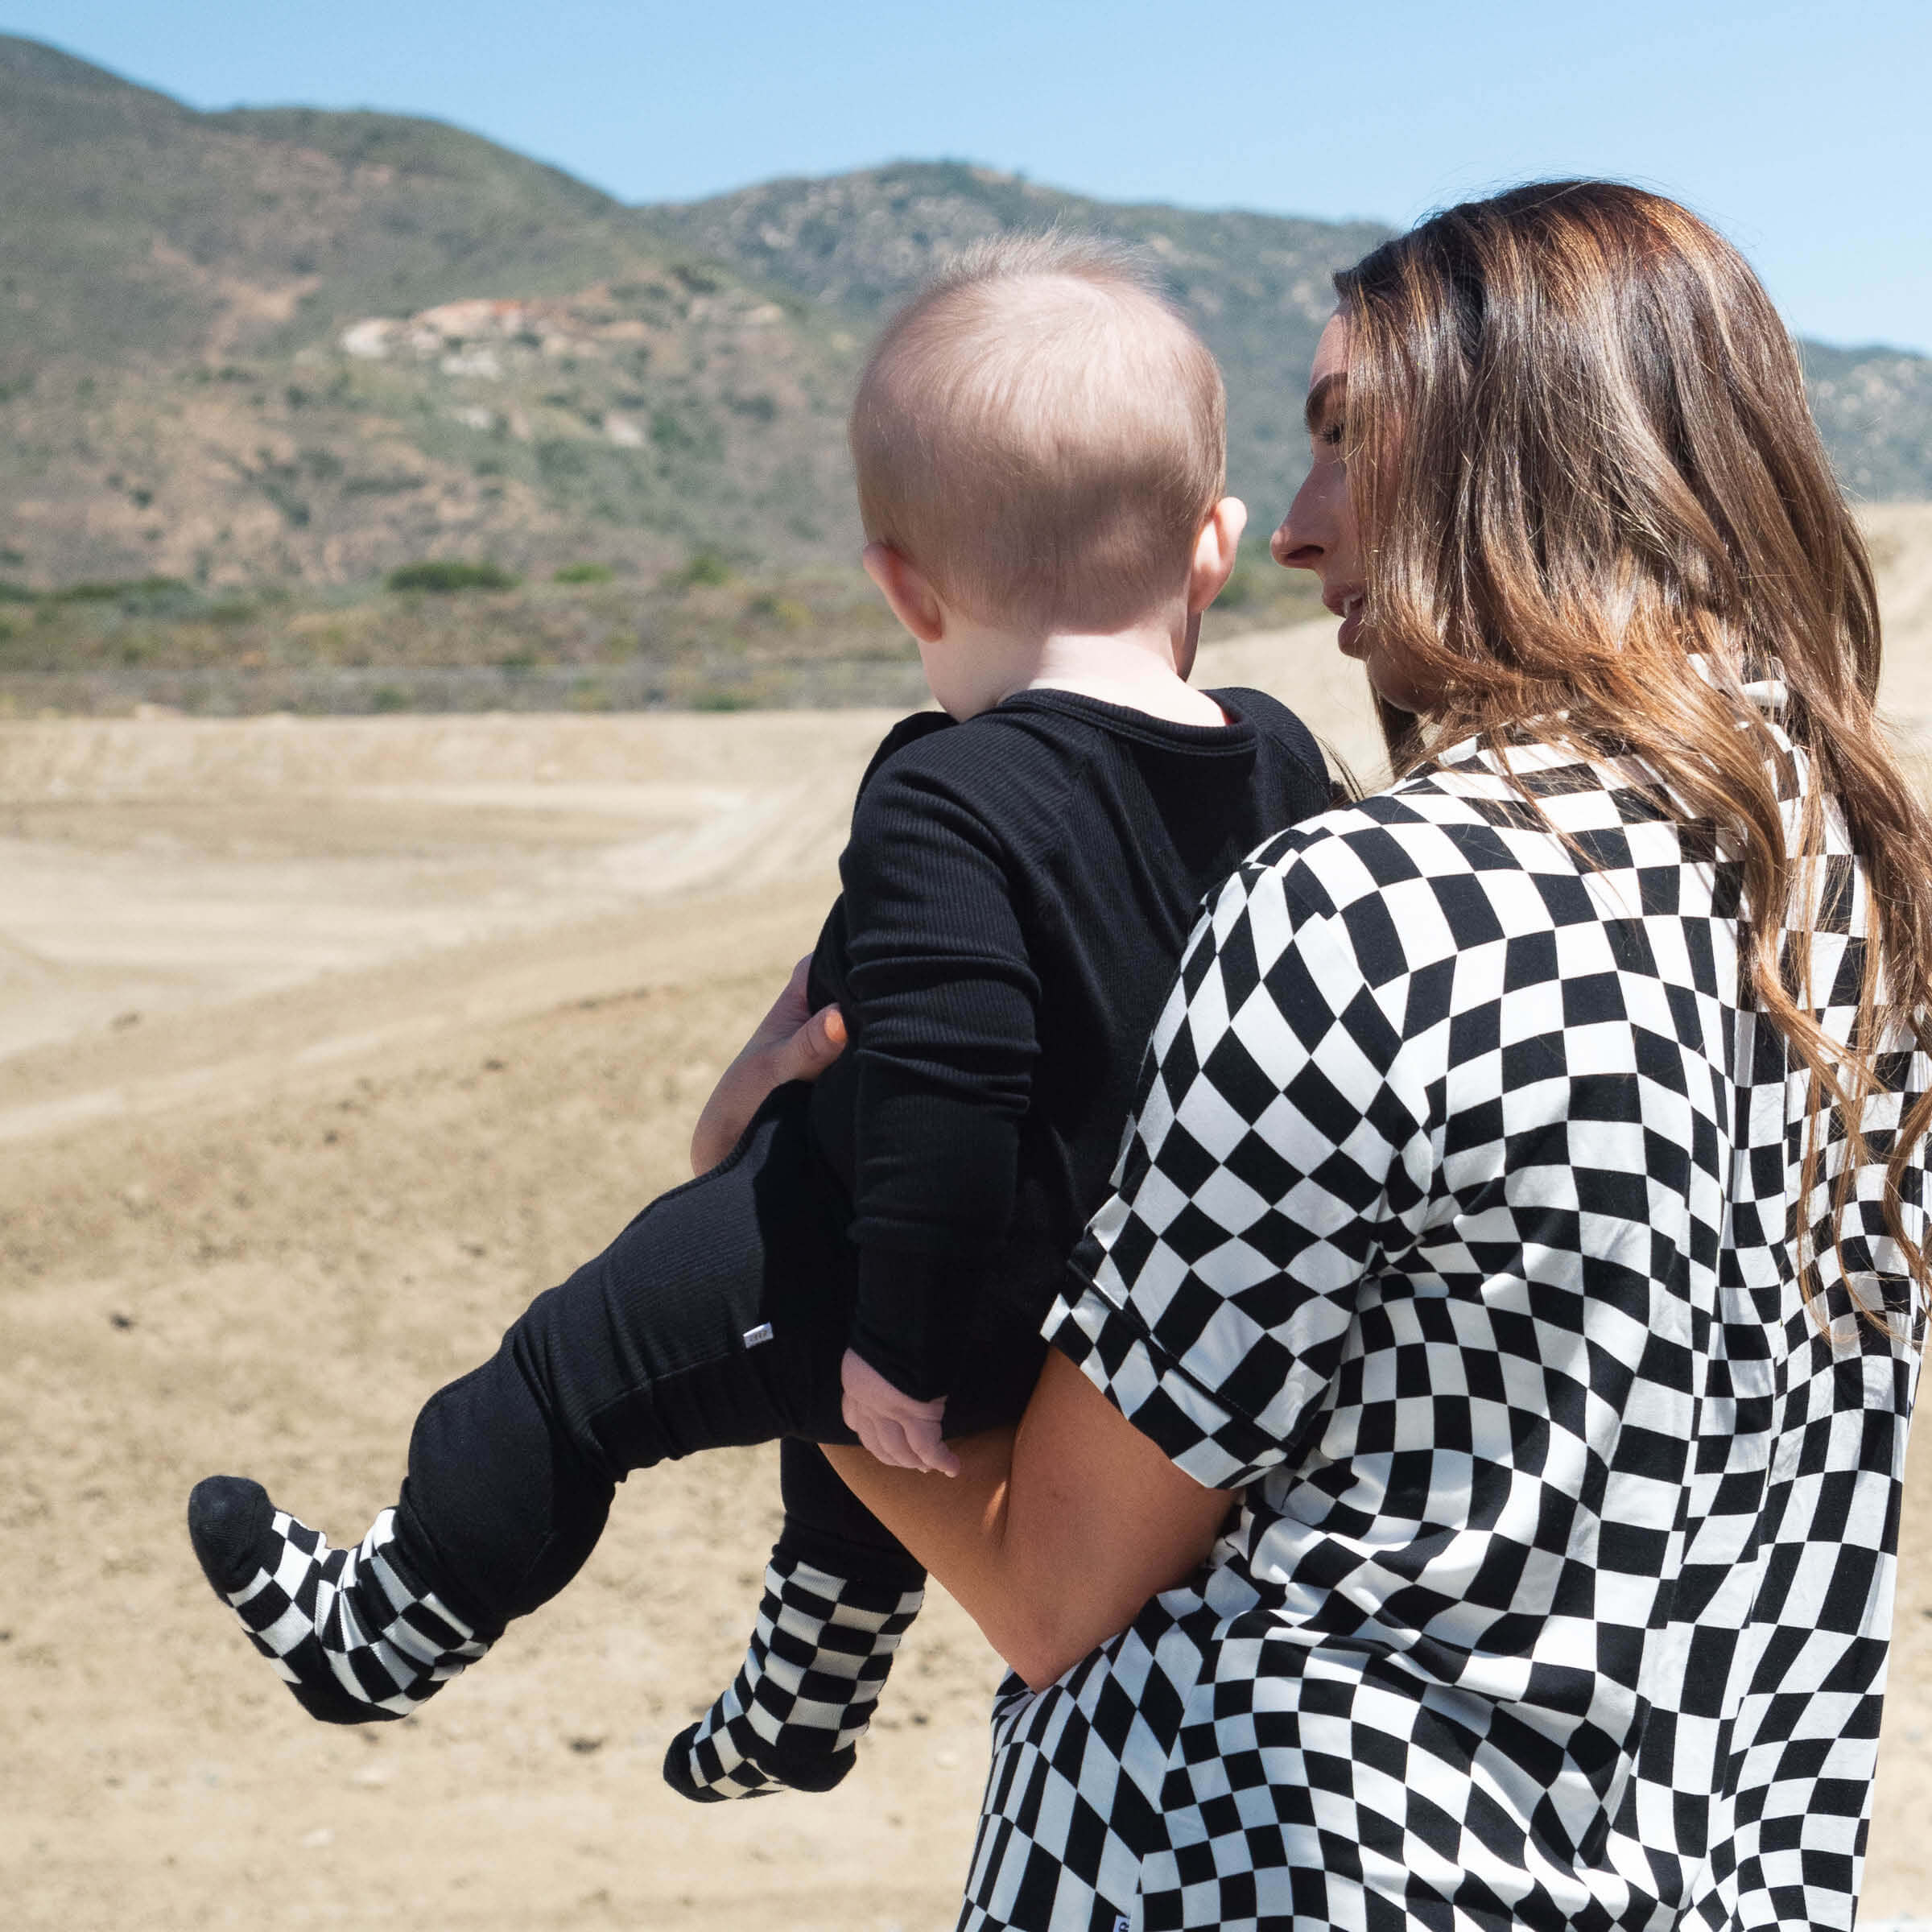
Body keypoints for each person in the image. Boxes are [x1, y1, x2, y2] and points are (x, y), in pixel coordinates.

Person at [818, 181, 1932, 1931]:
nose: (1294, 529)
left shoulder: (1369, 907)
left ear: (1528, 462)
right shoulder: (1862, 911)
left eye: (1350, 440)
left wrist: (777, 1257)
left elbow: (1053, 1585)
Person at [182, 233, 1335, 1804]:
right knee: (828, 1348)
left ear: (902, 586)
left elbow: (953, 1075)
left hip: (945, 1282)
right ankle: (806, 1693)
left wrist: (905, 1343)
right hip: (1132, 1306)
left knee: (566, 1371)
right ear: (1212, 546)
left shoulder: (942, 789)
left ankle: (381, 1630)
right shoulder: (1273, 754)